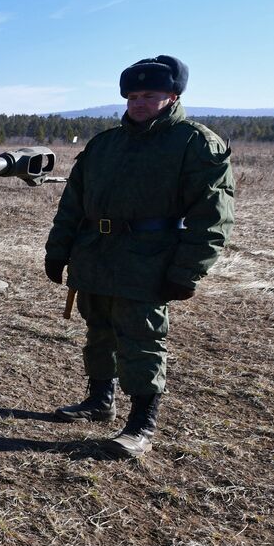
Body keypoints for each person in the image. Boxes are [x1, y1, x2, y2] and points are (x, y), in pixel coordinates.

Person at [44, 55, 234, 459]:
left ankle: (140, 425)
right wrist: (58, 250)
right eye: (132, 95)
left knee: (142, 339)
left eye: (150, 94)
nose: (138, 102)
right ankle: (99, 401)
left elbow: (212, 217)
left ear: (173, 95)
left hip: (149, 259)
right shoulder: (105, 144)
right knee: (99, 332)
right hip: (95, 254)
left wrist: (187, 271)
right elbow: (72, 204)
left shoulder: (195, 143)